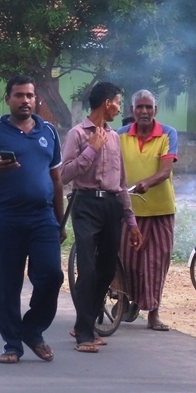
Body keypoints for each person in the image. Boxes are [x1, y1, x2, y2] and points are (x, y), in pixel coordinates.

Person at [0, 76, 66, 364]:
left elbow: (56, 179)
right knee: (8, 283)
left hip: (42, 218)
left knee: (52, 275)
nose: (25, 100)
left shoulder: (48, 131)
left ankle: (33, 330)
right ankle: (12, 343)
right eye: (19, 95)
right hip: (6, 218)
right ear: (8, 99)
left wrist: (60, 222)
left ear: (36, 100)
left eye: (30, 95)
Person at [60, 81, 142, 353]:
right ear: (107, 102)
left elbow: (121, 181)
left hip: (111, 207)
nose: (120, 108)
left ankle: (86, 323)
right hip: (85, 204)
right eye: (118, 102)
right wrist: (91, 149)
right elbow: (65, 175)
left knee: (106, 269)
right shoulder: (77, 134)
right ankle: (84, 334)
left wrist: (130, 221)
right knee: (88, 268)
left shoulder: (115, 137)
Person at [119, 89, 178, 331]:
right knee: (128, 260)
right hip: (128, 210)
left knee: (157, 261)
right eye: (139, 107)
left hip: (161, 209)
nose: (144, 111)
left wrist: (147, 182)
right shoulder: (119, 135)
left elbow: (165, 170)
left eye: (149, 107)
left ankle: (153, 312)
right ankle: (128, 301)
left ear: (156, 110)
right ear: (132, 111)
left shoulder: (167, 133)